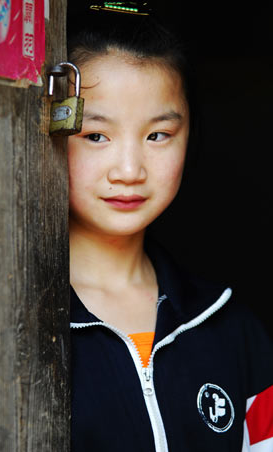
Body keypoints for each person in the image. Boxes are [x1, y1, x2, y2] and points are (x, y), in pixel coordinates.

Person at [67, 8, 273, 452]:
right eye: (95, 136)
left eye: (157, 135)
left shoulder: (229, 326)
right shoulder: (10, 320)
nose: (129, 170)